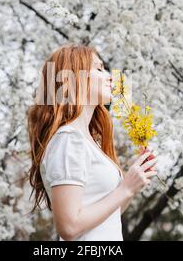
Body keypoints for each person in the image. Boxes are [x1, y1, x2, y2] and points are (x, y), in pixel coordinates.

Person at [28, 43, 157, 241]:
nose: (110, 76)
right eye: (98, 68)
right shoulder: (68, 140)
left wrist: (133, 185)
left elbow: (107, 216)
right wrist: (126, 188)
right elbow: (69, 227)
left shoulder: (87, 141)